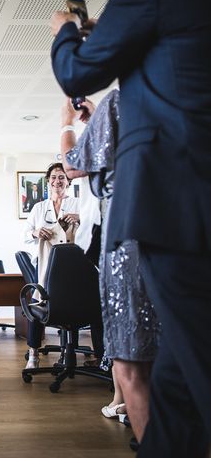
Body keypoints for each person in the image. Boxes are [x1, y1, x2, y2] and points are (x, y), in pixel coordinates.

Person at [50, 0, 211, 455]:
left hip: (155, 218)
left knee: (151, 364)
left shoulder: (117, 105)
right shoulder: (139, 100)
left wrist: (65, 34)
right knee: (176, 370)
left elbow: (74, 158)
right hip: (180, 203)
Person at [60, 91, 159, 442]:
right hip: (180, 232)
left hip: (131, 236)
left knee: (131, 355)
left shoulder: (120, 101)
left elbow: (73, 164)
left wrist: (66, 124)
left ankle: (146, 432)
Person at [22, 162, 81, 369]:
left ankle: (88, 354)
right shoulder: (39, 208)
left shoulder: (78, 204)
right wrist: (35, 233)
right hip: (47, 266)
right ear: (48, 181)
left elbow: (94, 228)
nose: (58, 181)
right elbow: (25, 235)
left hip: (73, 269)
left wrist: (80, 218)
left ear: (69, 181)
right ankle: (33, 354)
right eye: (54, 177)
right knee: (39, 302)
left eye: (62, 177)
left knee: (81, 302)